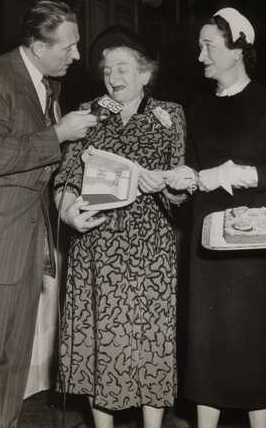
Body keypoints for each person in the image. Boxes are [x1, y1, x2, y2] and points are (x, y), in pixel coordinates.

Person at [0, 0, 99, 428]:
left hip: (22, 244)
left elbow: (37, 160)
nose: (77, 55)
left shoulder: (46, 84)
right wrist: (59, 133)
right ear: (36, 44)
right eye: (68, 46)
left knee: (11, 362)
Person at [167, 8, 266, 428]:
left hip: (250, 242)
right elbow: (191, 174)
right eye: (200, 45)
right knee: (205, 343)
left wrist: (234, 173)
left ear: (238, 49)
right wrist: (178, 184)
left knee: (249, 340)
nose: (200, 55)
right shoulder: (198, 108)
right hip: (204, 244)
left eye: (209, 45)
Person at [54, 25, 186, 428]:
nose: (114, 76)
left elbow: (180, 189)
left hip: (150, 246)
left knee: (152, 342)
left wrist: (171, 185)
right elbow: (66, 177)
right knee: (102, 343)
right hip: (98, 242)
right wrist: (67, 210)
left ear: (145, 73)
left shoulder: (170, 115)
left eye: (123, 67)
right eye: (108, 69)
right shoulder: (87, 113)